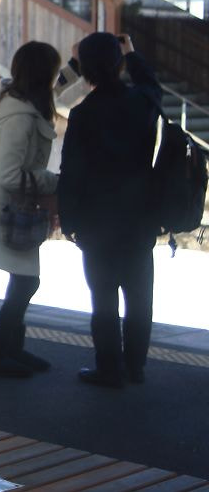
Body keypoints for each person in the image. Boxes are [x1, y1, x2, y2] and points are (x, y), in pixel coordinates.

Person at [58, 33, 161, 388]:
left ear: (85, 70)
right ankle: (136, 367)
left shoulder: (83, 113)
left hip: (96, 222)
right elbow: (151, 83)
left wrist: (69, 220)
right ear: (119, 64)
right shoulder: (142, 102)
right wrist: (131, 53)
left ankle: (109, 369)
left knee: (103, 300)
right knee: (139, 297)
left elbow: (71, 171)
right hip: (139, 218)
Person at [0, 41, 62, 378]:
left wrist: (78, 66)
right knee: (26, 282)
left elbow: (61, 87)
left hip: (10, 209)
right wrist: (52, 182)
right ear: (43, 74)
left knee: (24, 281)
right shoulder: (21, 117)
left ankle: (10, 350)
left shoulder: (21, 102)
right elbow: (9, 175)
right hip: (5, 211)